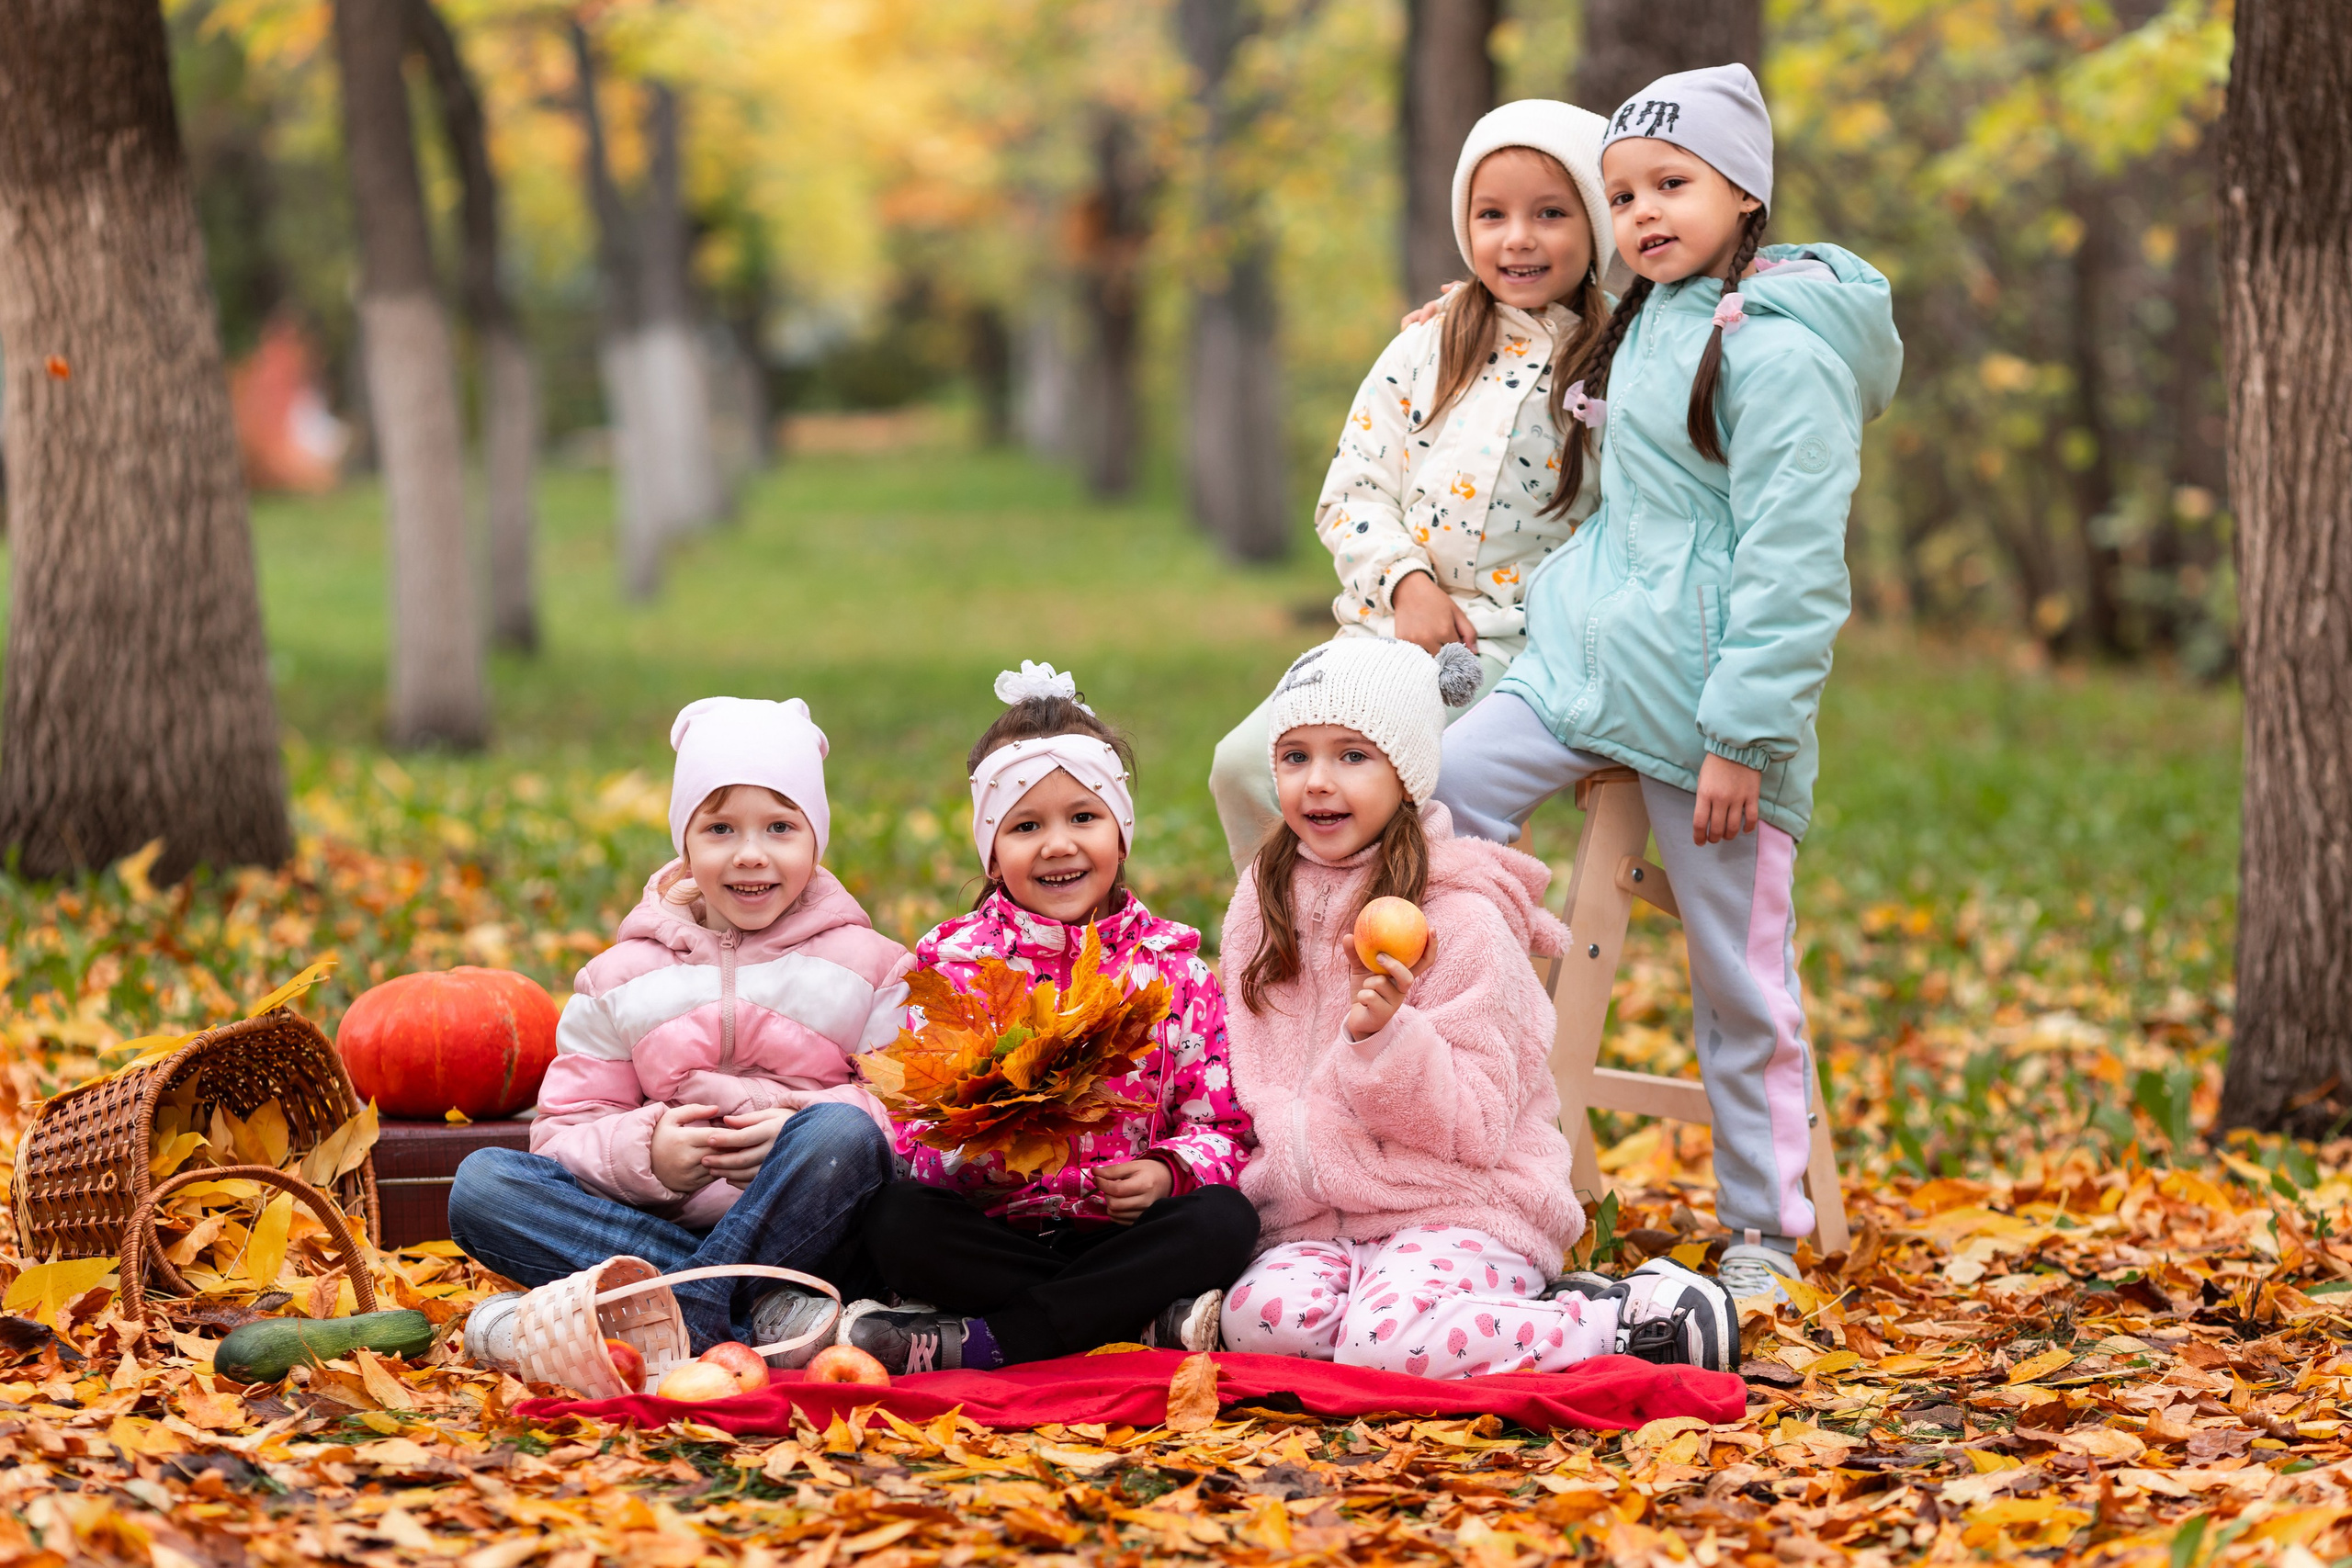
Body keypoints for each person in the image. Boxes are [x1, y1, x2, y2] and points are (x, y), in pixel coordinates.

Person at [1432, 64, 1905, 1304]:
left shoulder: (1780, 351)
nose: (1642, 212)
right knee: (1431, 813)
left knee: (1739, 976)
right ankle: (1469, 1111)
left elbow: (1793, 565)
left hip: (1709, 718)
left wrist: (1743, 737)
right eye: (1625, 191)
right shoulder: (1644, 314)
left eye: (1672, 185)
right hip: (1583, 672)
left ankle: (1764, 1223)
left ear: (1744, 191)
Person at [1220, 637, 1740, 1375]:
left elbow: (1476, 1123)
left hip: (1459, 1204)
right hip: (1316, 1218)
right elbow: (1250, 1068)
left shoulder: (1461, 918)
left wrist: (1385, 1041)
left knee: (1386, 1343)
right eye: (1295, 756)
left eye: (1352, 756)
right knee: (1258, 1323)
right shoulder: (1262, 903)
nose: (1318, 782)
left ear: (1406, 770)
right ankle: (1429, 1311)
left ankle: (1615, 1321)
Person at [1206, 98, 1625, 873]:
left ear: (1596, 226)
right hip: (1380, 630)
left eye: (1551, 213)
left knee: (1405, 789)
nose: (1519, 237)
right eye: (1492, 214)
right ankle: (1292, 958)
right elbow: (1351, 489)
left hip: (1506, 647)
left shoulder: (1617, 365)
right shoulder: (1427, 347)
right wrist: (1405, 582)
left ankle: (1439, 968)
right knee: (1243, 766)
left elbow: (1624, 522)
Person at [453, 697, 908, 1364]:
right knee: (483, 1186)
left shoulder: (873, 966)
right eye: (720, 829)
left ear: (816, 838)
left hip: (817, 1234)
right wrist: (651, 1155)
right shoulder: (620, 977)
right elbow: (563, 1134)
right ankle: (759, 1317)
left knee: (845, 1133)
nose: (751, 854)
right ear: (685, 843)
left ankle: (668, 1315)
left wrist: (798, 1126)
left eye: (780, 827)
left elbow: (913, 1119)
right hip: (651, 1226)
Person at [837, 663, 1258, 1374]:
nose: (1058, 844)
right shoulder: (954, 967)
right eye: (1026, 825)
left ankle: (1000, 1339)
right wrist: (969, 1168)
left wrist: (1167, 1171)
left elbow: (1222, 1124)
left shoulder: (1174, 968)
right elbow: (909, 1129)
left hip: (1124, 1236)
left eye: (1083, 817)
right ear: (993, 855)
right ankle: (1135, 1321)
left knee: (1225, 1221)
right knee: (896, 1222)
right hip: (998, 1235)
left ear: (1121, 836)